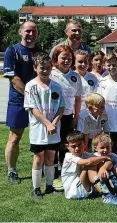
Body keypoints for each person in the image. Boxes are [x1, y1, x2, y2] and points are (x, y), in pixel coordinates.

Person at [3, 21, 40, 184]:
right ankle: (11, 171)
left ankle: (44, 168)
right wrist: (30, 96)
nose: (31, 34)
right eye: (28, 31)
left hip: (40, 102)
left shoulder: (40, 52)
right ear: (20, 32)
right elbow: (14, 79)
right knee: (15, 137)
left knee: (41, 137)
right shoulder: (12, 51)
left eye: (34, 31)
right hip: (19, 101)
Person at [24, 53, 65, 198]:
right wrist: (47, 123)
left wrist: (53, 123)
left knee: (50, 157)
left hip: (53, 129)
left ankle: (49, 186)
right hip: (38, 129)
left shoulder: (56, 86)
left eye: (48, 68)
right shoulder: (31, 86)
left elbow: (61, 107)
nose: (45, 71)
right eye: (42, 68)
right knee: (38, 158)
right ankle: (36, 189)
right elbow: (33, 108)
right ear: (35, 67)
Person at [50, 45, 84, 185]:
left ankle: (66, 172)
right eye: (63, 58)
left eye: (69, 58)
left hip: (68, 116)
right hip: (52, 117)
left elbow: (77, 98)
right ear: (56, 59)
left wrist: (75, 116)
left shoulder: (75, 76)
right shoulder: (50, 74)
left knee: (66, 145)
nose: (66, 61)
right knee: (53, 146)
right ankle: (51, 173)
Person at [61, 131, 117, 205]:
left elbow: (109, 162)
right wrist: (104, 157)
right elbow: (87, 162)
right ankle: (106, 195)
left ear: (84, 144)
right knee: (91, 165)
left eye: (80, 145)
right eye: (73, 146)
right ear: (67, 147)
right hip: (73, 191)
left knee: (99, 163)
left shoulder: (86, 154)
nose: (77, 148)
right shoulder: (68, 156)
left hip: (85, 188)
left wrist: (103, 168)